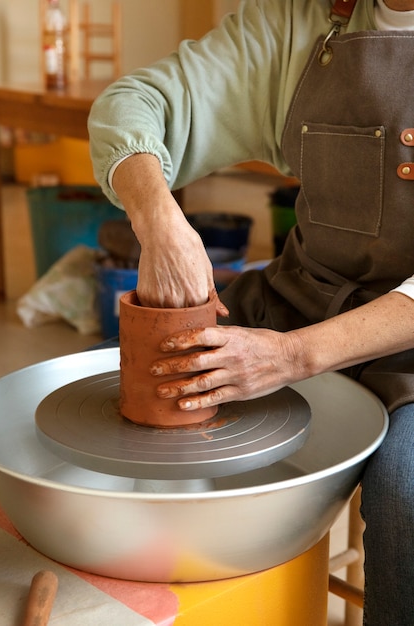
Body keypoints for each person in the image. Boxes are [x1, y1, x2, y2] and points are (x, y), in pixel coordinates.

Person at [88, 1, 414, 623]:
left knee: (410, 494)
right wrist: (160, 221)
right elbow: (133, 102)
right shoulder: (307, 20)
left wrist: (293, 356)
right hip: (301, 300)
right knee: (132, 431)